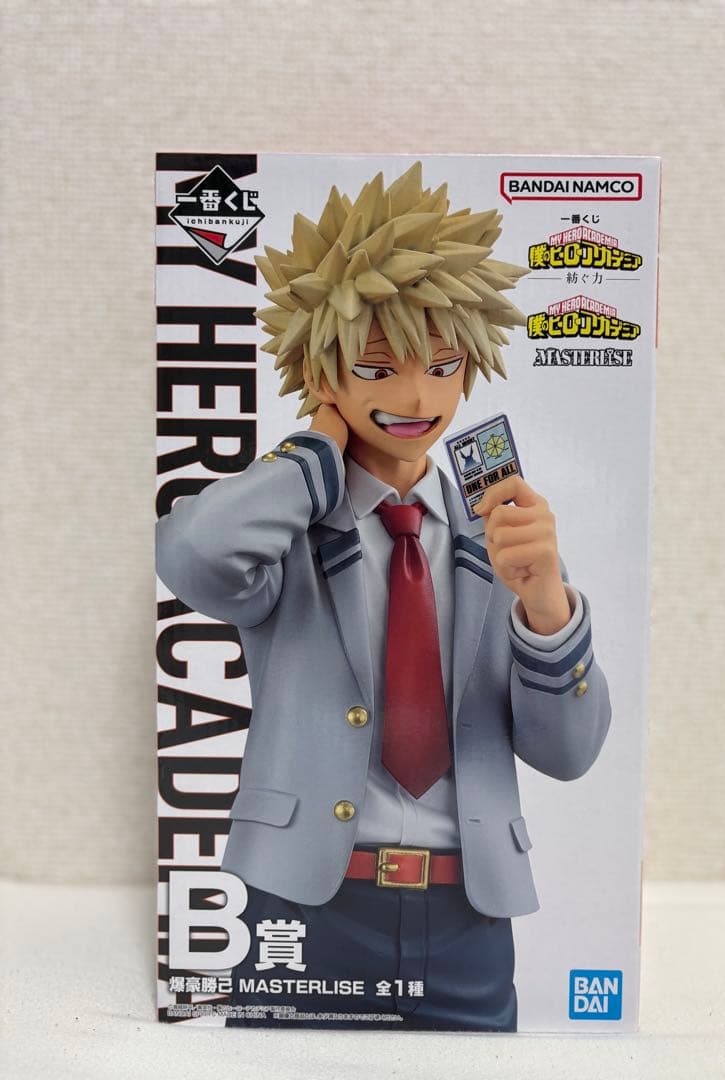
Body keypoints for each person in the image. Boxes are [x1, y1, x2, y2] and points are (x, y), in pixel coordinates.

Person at [156, 162, 611, 1031]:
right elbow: (191, 557)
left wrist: (547, 607)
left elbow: (568, 754)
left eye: (443, 366)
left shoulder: (497, 534)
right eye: (375, 367)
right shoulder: (286, 529)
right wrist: (313, 454)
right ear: (321, 372)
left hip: (471, 916)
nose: (415, 397)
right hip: (304, 904)